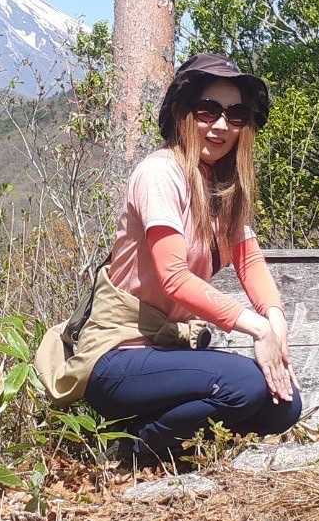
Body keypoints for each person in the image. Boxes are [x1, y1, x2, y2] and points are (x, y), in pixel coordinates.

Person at [33, 53, 301, 465]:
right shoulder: (160, 173)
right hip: (117, 355)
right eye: (208, 110)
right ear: (181, 113)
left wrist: (276, 324)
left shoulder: (221, 188)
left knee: (284, 404)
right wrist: (256, 328)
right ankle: (137, 449)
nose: (221, 125)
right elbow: (173, 276)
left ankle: (172, 444)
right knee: (245, 386)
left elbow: (249, 262)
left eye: (236, 115)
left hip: (166, 352)